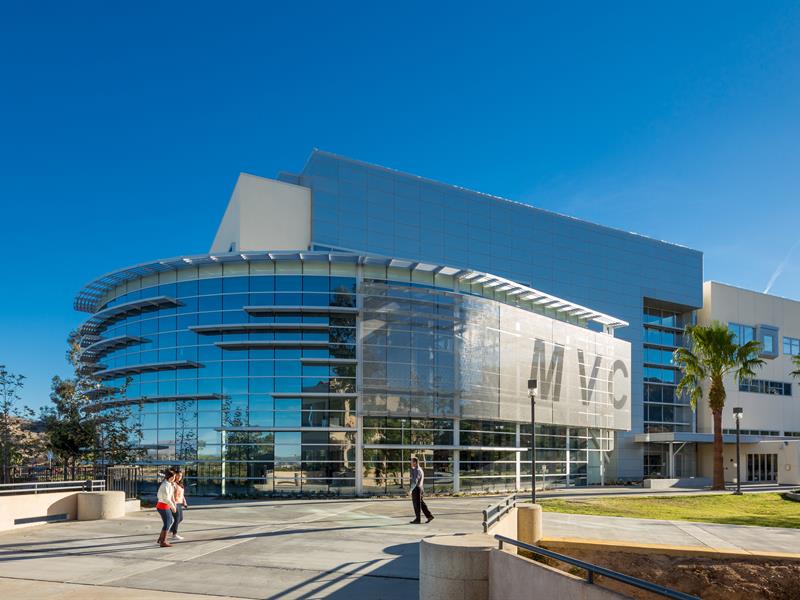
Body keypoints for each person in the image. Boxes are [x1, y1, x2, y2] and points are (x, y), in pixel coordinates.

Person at [408, 456, 434, 524]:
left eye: (411, 462)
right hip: (420, 488)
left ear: (415, 462)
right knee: (421, 503)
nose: (410, 463)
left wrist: (411, 490)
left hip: (417, 489)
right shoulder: (417, 469)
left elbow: (415, 481)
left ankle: (418, 519)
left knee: (417, 504)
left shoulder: (417, 470)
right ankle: (429, 516)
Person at [155, 469, 177, 547]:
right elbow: (166, 498)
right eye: (174, 477)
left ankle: (161, 539)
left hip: (164, 505)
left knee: (170, 521)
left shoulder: (168, 484)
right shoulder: (165, 485)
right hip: (163, 506)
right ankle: (163, 541)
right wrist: (173, 506)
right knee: (168, 523)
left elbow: (170, 496)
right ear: (170, 477)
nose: (175, 478)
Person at [170, 471, 189, 541]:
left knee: (180, 518)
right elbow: (171, 494)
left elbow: (182, 494)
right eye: (178, 475)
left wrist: (184, 501)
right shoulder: (173, 484)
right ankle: (174, 535)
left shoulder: (180, 484)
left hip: (179, 503)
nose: (179, 477)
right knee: (177, 518)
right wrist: (173, 503)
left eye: (180, 476)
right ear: (175, 476)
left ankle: (171, 529)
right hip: (175, 503)